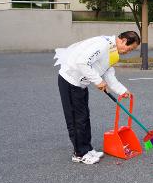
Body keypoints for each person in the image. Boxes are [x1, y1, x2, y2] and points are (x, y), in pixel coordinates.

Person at [54, 31, 140, 164]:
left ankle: (87, 148)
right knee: (76, 120)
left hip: (81, 84)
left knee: (84, 117)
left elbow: (109, 75)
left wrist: (122, 91)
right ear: (123, 40)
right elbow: (82, 62)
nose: (129, 51)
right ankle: (79, 153)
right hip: (70, 81)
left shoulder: (113, 53)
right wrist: (97, 81)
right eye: (131, 48)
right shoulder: (102, 45)